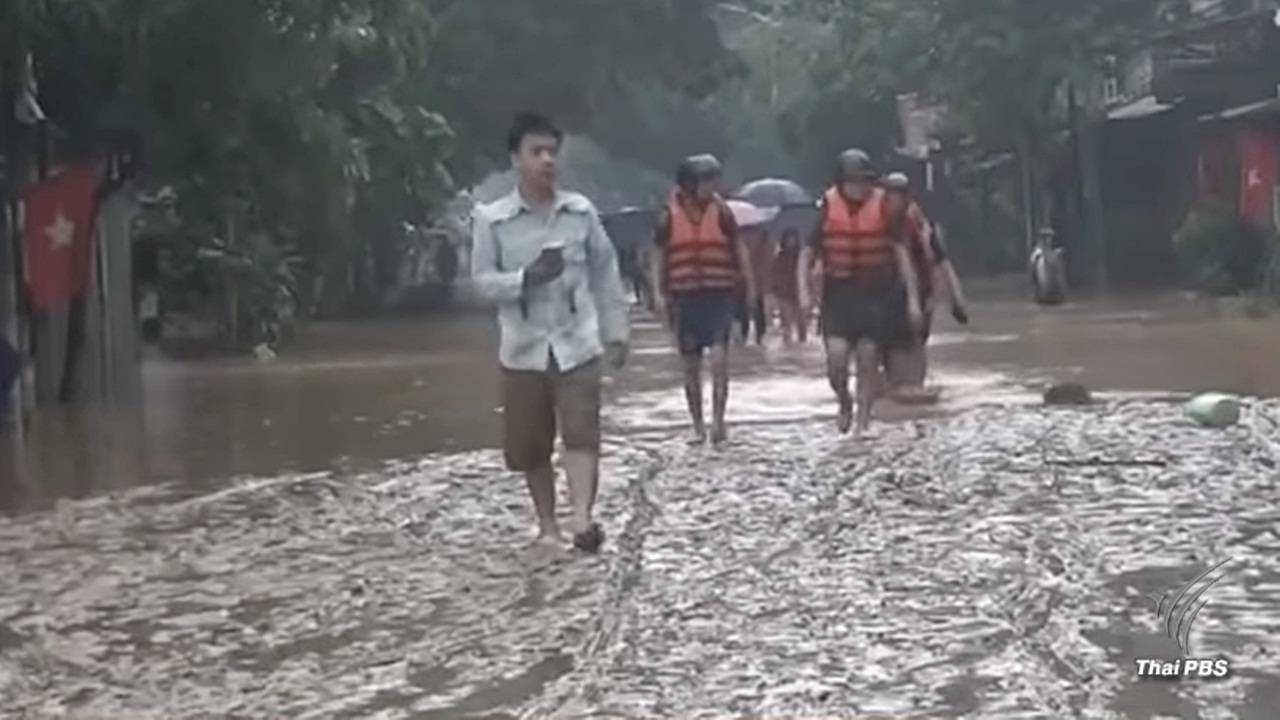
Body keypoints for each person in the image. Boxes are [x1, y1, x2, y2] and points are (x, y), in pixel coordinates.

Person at [470, 112, 631, 552]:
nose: (547, 160)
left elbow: (605, 273)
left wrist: (616, 333)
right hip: (523, 350)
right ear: (515, 160)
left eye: (552, 152)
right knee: (530, 444)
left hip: (578, 344)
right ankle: (547, 524)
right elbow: (482, 282)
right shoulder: (492, 220)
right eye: (536, 152)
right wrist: (525, 279)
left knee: (582, 432)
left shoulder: (580, 213)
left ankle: (581, 518)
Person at [797, 149, 923, 436]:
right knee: (837, 361)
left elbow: (902, 256)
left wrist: (913, 301)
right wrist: (804, 291)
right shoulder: (827, 208)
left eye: (865, 181)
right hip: (838, 295)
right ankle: (844, 400)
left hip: (874, 294)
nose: (861, 187)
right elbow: (807, 253)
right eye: (854, 181)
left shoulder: (884, 209)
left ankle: (862, 424)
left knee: (868, 359)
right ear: (841, 183)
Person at [652, 154, 755, 445]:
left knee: (720, 359)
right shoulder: (667, 216)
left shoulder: (722, 213)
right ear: (689, 184)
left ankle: (718, 421)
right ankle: (697, 424)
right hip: (685, 298)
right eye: (706, 181)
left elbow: (739, 249)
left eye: (714, 180)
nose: (713, 187)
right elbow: (658, 255)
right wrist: (659, 293)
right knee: (690, 366)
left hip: (718, 295)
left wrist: (748, 285)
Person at [880, 172, 969, 392]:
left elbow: (943, 264)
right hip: (885, 294)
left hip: (921, 294)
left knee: (917, 341)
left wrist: (957, 300)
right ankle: (891, 384)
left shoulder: (923, 228)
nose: (895, 200)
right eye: (891, 195)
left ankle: (916, 386)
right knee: (887, 344)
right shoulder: (877, 224)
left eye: (899, 195)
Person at [770, 228, 807, 345]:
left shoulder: (802, 256)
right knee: (787, 321)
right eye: (788, 239)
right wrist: (775, 287)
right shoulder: (780, 257)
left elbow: (807, 273)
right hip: (784, 292)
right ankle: (787, 343)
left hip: (800, 291)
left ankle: (802, 343)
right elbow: (774, 273)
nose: (791, 242)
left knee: (802, 322)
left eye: (793, 239)